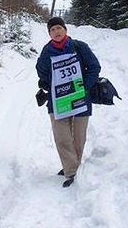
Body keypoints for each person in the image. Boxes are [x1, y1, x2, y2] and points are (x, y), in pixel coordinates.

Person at [36, 17, 101, 187]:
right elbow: (40, 70)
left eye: (59, 28)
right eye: (52, 30)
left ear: (65, 30)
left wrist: (84, 87)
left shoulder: (79, 47)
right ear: (49, 34)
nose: (56, 32)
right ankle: (71, 170)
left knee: (78, 138)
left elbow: (94, 66)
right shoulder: (47, 50)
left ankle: (72, 166)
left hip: (80, 97)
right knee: (62, 137)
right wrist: (48, 81)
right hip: (58, 100)